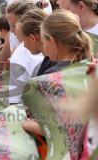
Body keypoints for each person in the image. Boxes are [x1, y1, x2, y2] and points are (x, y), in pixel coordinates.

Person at [23, 9, 94, 142]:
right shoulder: (90, 64)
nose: (43, 46)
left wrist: (28, 125)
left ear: (52, 41)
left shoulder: (52, 77)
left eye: (44, 42)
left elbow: (57, 129)